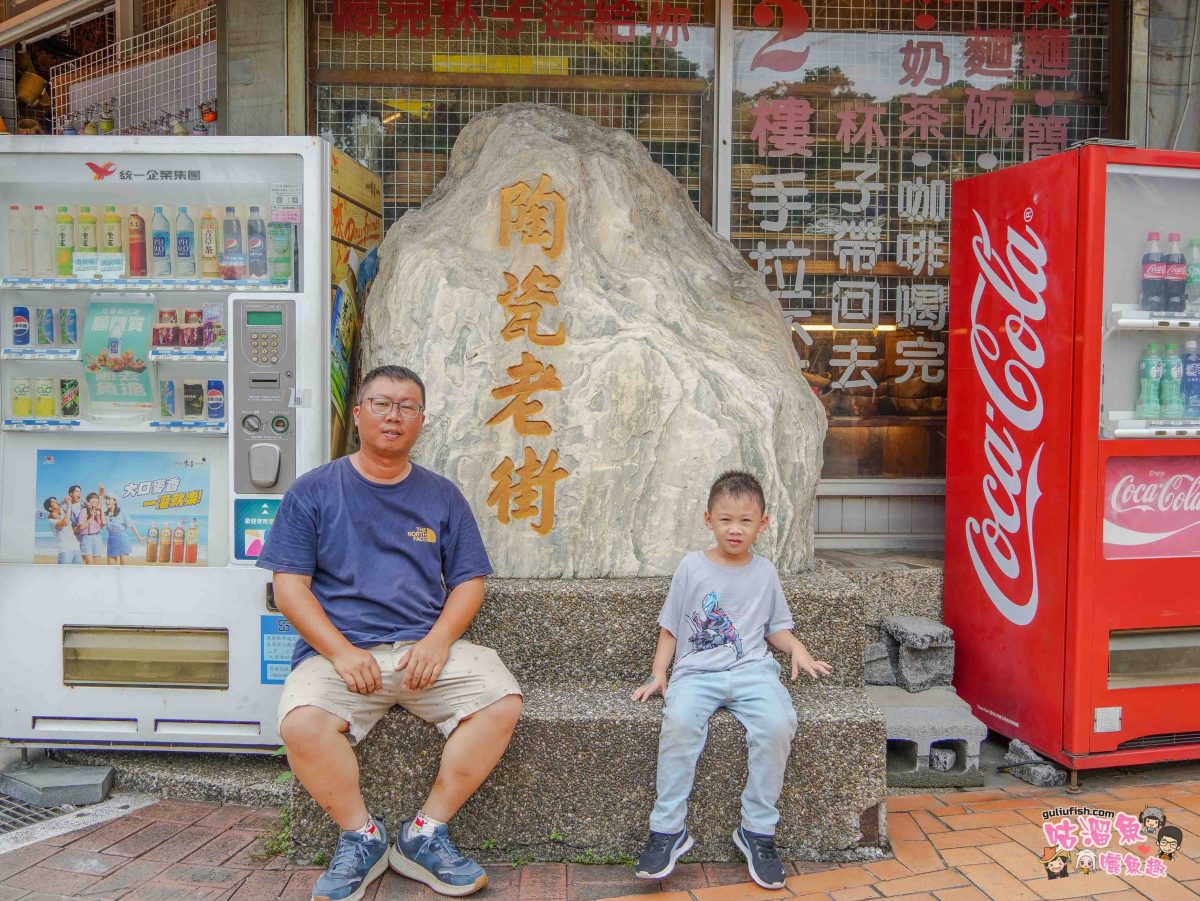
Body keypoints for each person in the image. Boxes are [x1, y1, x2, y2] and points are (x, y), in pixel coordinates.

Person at [257, 364, 522, 901]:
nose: (393, 416)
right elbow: (290, 590)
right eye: (381, 403)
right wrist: (340, 651)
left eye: (406, 406)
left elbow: (469, 582)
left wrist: (438, 641)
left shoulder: (442, 495)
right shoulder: (312, 492)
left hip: (424, 652)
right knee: (302, 724)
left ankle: (424, 834)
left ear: (421, 420)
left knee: (501, 700)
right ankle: (362, 837)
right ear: (358, 414)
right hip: (342, 654)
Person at [631, 470, 831, 890]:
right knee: (680, 723)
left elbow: (775, 627)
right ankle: (667, 830)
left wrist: (797, 649)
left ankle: (757, 830)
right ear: (708, 520)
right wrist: (658, 673)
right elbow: (670, 626)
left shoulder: (764, 572)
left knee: (778, 724)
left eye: (745, 520)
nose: (735, 529)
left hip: (752, 671)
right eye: (725, 519)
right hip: (696, 674)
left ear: (763, 523)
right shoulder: (692, 567)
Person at [104, 495, 142, 565]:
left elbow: (131, 524)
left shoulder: (122, 511)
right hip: (111, 541)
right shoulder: (105, 514)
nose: (106, 501)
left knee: (124, 569)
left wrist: (139, 537)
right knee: (110, 569)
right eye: (106, 499)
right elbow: (101, 524)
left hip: (122, 540)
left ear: (115, 501)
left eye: (109, 499)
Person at [43, 496, 81, 565]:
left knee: (79, 574)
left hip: (76, 548)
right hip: (65, 551)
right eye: (53, 502)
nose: (56, 502)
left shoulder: (62, 512)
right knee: (63, 574)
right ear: (50, 508)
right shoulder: (51, 521)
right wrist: (69, 505)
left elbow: (67, 503)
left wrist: (65, 500)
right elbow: (65, 522)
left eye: (56, 500)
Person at [73, 489, 106, 565]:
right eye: (92, 498)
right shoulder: (84, 511)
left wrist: (100, 512)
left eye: (96, 498)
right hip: (86, 538)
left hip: (97, 538)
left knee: (96, 565)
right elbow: (81, 527)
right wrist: (91, 516)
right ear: (88, 501)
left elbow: (102, 525)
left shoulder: (98, 511)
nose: (94, 500)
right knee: (89, 565)